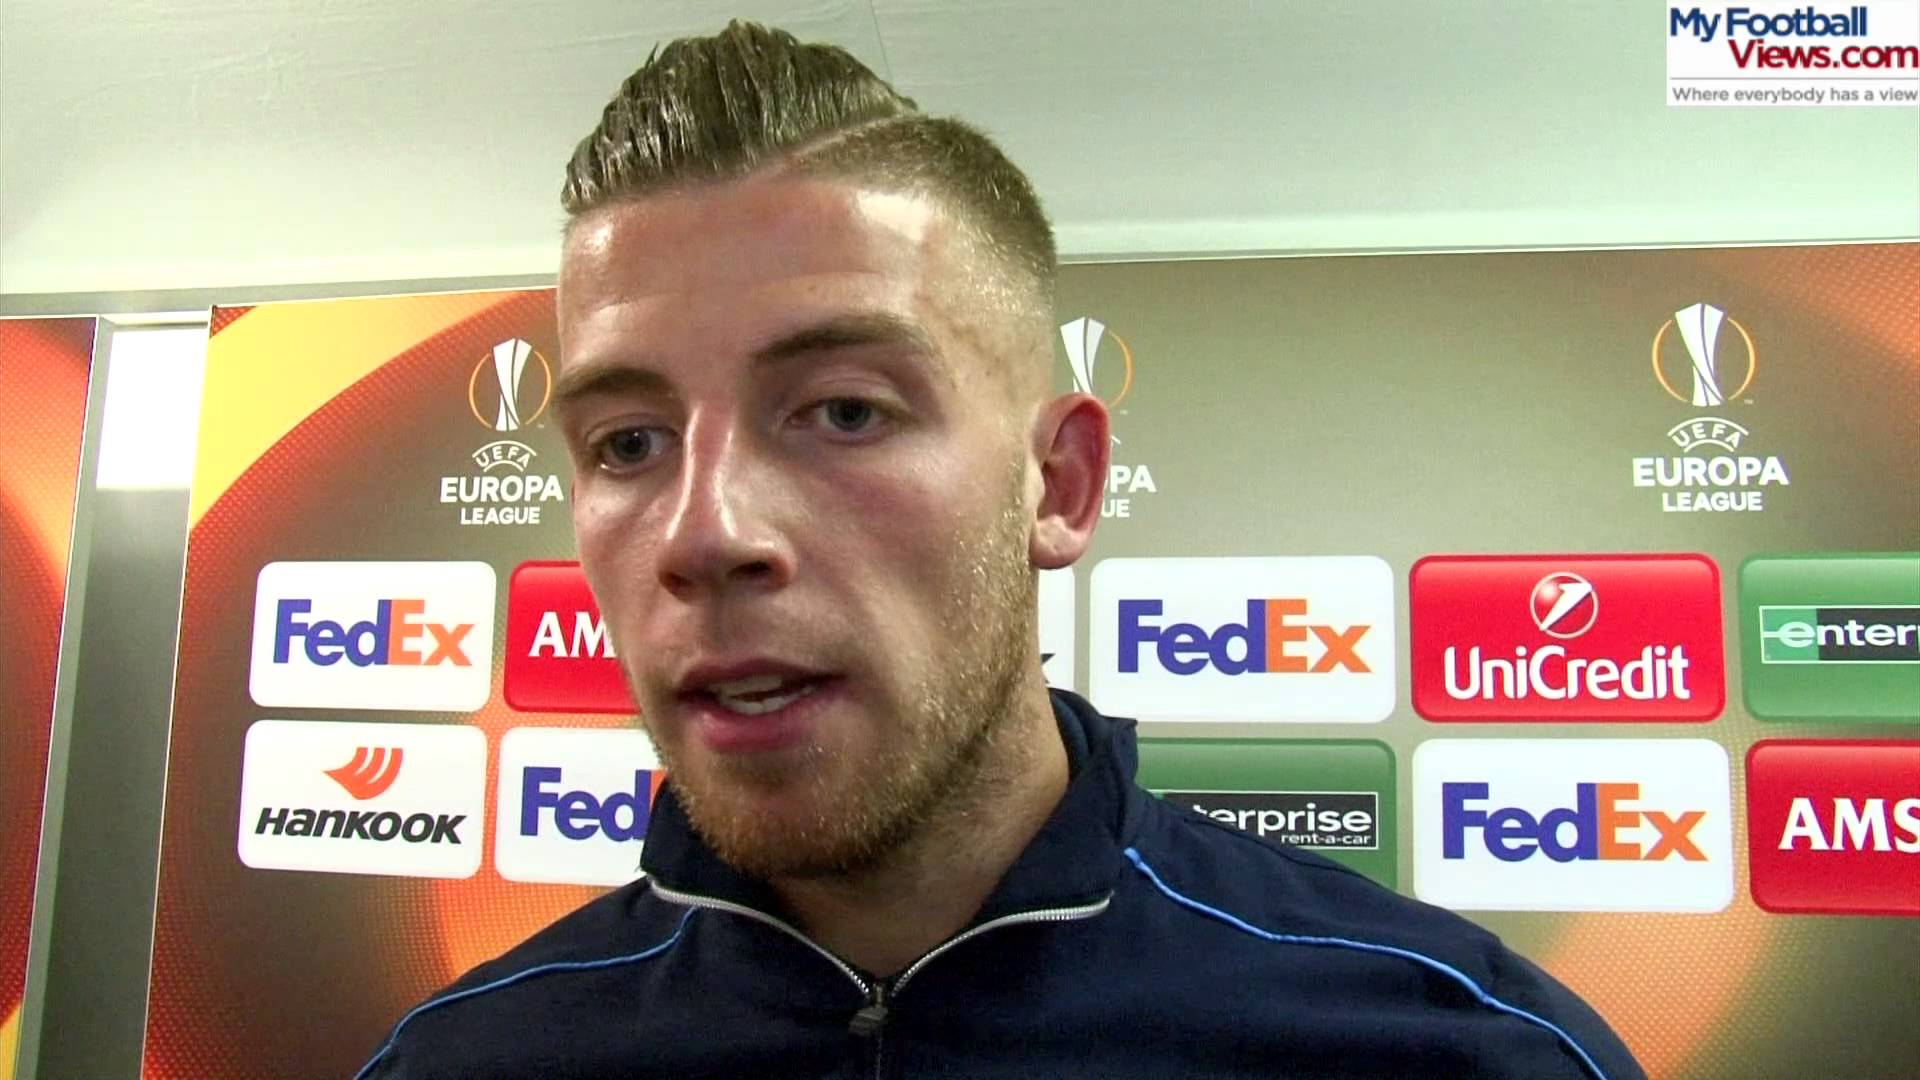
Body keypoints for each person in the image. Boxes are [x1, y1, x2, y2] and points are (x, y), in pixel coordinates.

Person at [356, 20, 1644, 1080]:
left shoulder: (1457, 1051)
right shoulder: (462, 1062)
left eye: (844, 412)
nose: (707, 534)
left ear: (1060, 483)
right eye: (629, 442)